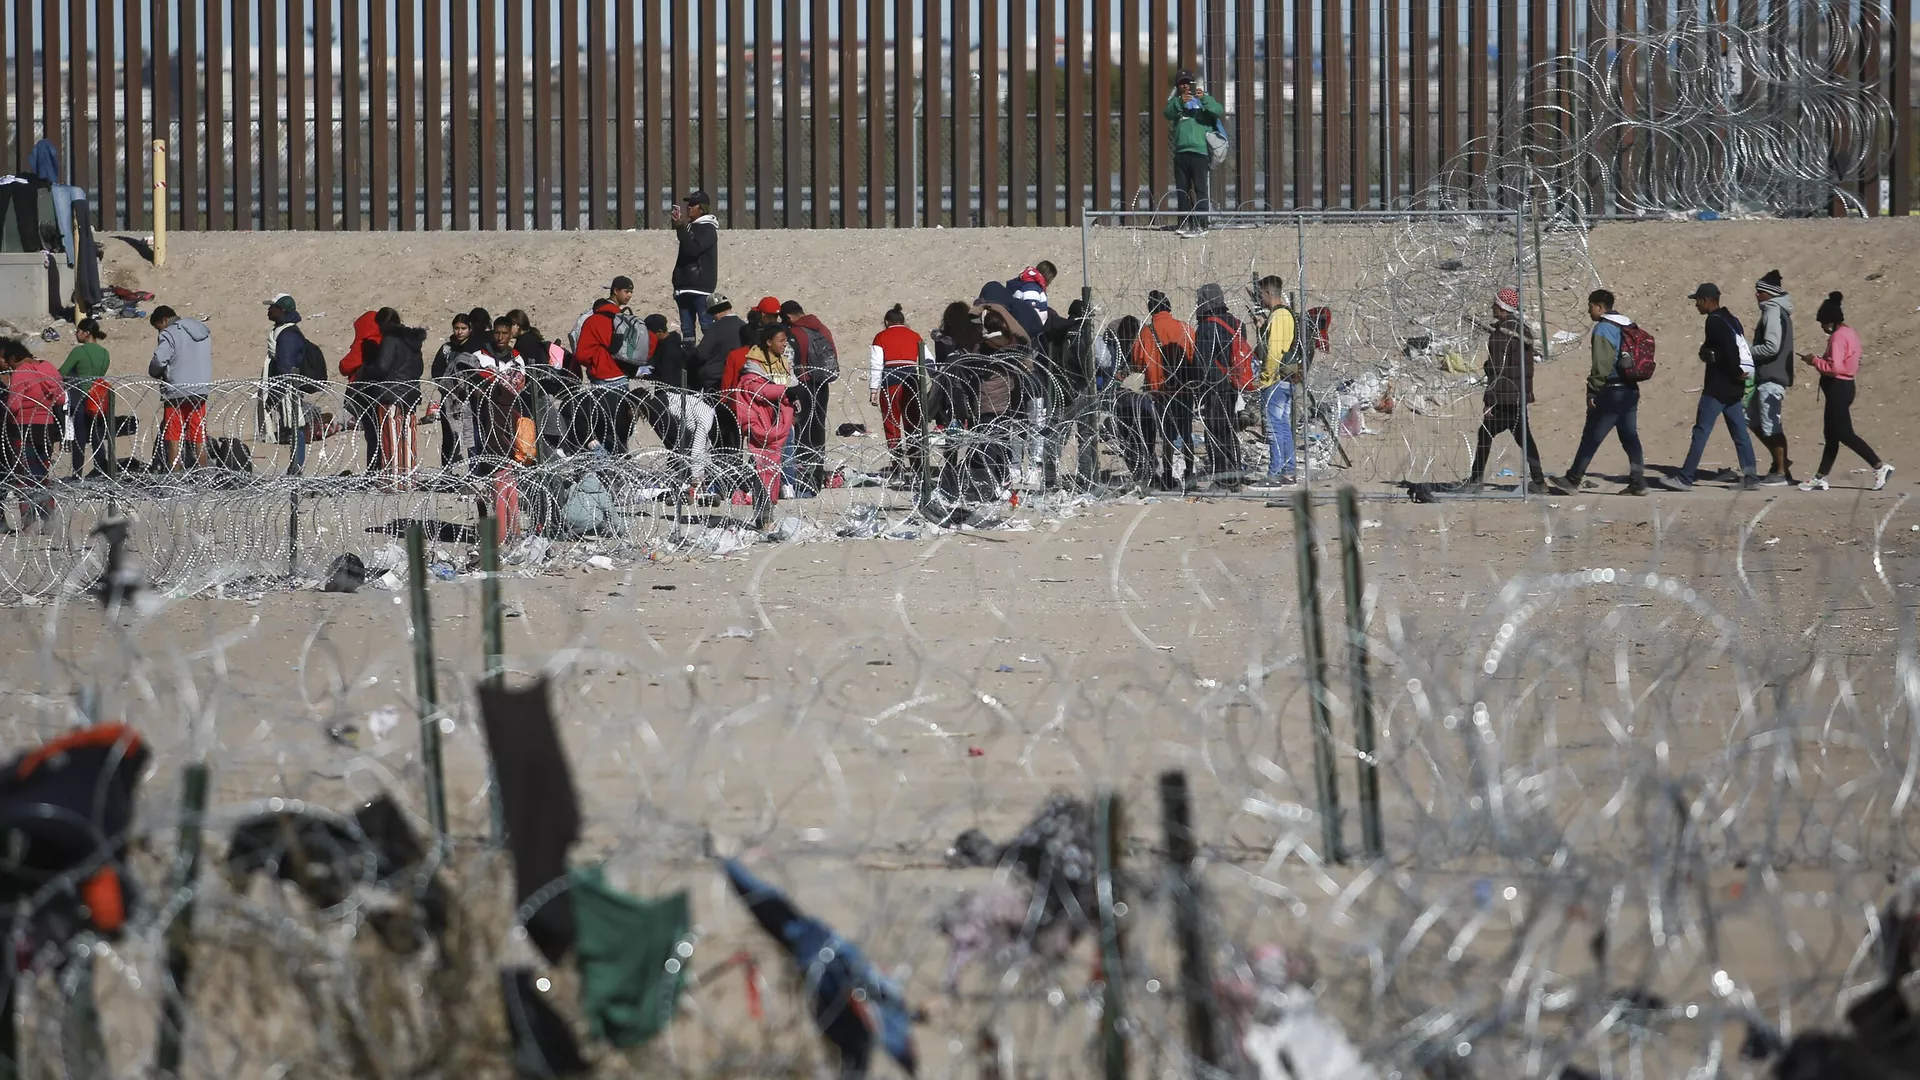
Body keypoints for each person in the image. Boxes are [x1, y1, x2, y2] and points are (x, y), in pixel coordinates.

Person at [1657, 282, 1759, 491]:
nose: (1696, 305)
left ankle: (1685, 478)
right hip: (1733, 388)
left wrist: (1730, 370)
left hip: (1718, 388)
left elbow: (1728, 350)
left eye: (1697, 301)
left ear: (1705, 300)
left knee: (1701, 432)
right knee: (1740, 432)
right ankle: (1750, 478)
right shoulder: (1731, 319)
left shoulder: (1713, 321)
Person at [1549, 289, 1647, 496]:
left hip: (1611, 391)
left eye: (1590, 305)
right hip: (1630, 390)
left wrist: (1593, 391)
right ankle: (1638, 482)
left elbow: (1601, 364)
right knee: (1630, 437)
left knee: (1592, 436)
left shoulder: (1603, 328)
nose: (1588, 310)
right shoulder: (1626, 325)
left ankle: (1573, 478)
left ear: (1600, 307)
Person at [1797, 291, 1893, 492]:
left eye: (1822, 323)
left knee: (1844, 433)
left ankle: (1879, 466)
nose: (1822, 327)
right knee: (1831, 434)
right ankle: (1820, 477)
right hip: (1844, 387)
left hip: (1838, 388)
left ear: (1830, 321)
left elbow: (1835, 367)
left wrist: (1814, 360)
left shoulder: (1838, 337)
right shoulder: (1850, 333)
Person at [1466, 287, 1546, 490]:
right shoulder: (1521, 329)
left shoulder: (1502, 335)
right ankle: (1539, 481)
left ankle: (1475, 481)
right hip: (1518, 395)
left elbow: (1497, 370)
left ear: (1502, 308)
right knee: (1524, 438)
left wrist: (1489, 401)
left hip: (1504, 397)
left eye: (1495, 304)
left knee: (1486, 434)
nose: (1492, 307)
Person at [636, 312, 715, 495]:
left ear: (658, 332)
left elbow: (667, 379)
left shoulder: (668, 349)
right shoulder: (674, 346)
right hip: (681, 400)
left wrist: (646, 375)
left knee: (680, 444)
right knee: (682, 443)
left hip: (670, 399)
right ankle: (691, 480)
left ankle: (691, 482)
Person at [728, 323, 799, 528]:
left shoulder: (783, 363)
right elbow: (757, 390)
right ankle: (764, 517)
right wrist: (784, 392)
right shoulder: (753, 366)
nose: (785, 344)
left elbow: (790, 384)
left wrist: (795, 399)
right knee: (764, 469)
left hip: (781, 424)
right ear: (769, 343)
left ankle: (767, 516)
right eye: (781, 340)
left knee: (774, 469)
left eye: (786, 340)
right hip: (761, 425)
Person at [1131, 289, 1196, 489]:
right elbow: (1195, 356)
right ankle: (1189, 472)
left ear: (1151, 309)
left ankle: (1167, 474)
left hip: (1161, 393)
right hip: (1184, 389)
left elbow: (1137, 364)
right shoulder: (1185, 329)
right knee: (1186, 432)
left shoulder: (1146, 333)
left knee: (1167, 435)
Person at [1190, 283, 1246, 490]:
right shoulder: (1237, 323)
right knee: (1230, 432)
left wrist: (1198, 389)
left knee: (1215, 433)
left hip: (1213, 388)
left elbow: (1201, 362)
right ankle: (1235, 475)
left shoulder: (1206, 327)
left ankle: (1222, 478)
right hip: (1233, 386)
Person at [574, 276, 637, 453]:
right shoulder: (625, 320)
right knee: (621, 433)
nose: (630, 295)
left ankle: (609, 474)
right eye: (627, 291)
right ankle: (622, 472)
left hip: (602, 382)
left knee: (604, 432)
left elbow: (581, 355)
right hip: (622, 380)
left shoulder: (593, 321)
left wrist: (595, 362)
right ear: (616, 291)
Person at [4, 338, 63, 527]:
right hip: (46, 426)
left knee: (25, 474)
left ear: (14, 357)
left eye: (9, 362)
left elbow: (13, 405)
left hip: (23, 428)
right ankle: (48, 517)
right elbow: (61, 398)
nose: (9, 367)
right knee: (42, 471)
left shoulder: (21, 372)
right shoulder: (47, 367)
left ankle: (28, 519)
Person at [147, 305, 213, 471]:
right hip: (200, 389)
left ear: (164, 320)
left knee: (174, 434)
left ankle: (175, 477)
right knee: (198, 434)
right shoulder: (201, 332)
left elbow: (159, 360)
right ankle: (203, 473)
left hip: (177, 391)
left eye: (158, 327)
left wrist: (154, 372)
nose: (159, 332)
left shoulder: (169, 333)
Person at [365, 308, 429, 479]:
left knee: (390, 438)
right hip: (411, 394)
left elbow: (382, 367)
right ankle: (408, 478)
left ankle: (392, 479)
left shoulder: (390, 340)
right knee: (408, 438)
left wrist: (367, 371)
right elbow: (420, 368)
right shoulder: (413, 340)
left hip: (390, 394)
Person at [782, 299, 838, 496]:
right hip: (822, 384)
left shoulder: (795, 333)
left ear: (788, 317)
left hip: (804, 384)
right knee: (818, 428)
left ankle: (804, 477)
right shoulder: (822, 328)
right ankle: (817, 473)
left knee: (803, 429)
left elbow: (789, 360)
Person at [870, 303, 930, 479]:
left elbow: (876, 364)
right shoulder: (915, 336)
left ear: (887, 322)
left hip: (891, 383)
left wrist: (874, 389)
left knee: (892, 425)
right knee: (913, 424)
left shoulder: (881, 337)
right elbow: (929, 360)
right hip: (913, 382)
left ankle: (897, 465)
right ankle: (917, 464)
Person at [1748, 270, 1796, 485]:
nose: (1756, 295)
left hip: (1772, 377)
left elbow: (1771, 347)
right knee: (1751, 418)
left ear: (1768, 293)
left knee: (1771, 426)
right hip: (1765, 377)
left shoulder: (1773, 311)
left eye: (1759, 292)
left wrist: (1747, 351)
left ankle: (1780, 472)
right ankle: (1782, 462)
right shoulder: (1773, 311)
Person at [1251, 275, 1298, 486]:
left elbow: (1273, 353)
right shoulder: (1286, 315)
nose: (1260, 299)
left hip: (1276, 380)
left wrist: (1264, 379)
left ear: (1269, 294)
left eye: (1261, 295)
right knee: (1283, 426)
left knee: (1274, 428)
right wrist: (1261, 327)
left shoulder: (1279, 316)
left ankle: (1275, 474)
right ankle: (1289, 472)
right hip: (1287, 378)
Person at [263, 293, 317, 475]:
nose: (268, 311)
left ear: (281, 310)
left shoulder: (288, 335)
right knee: (292, 426)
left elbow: (285, 366)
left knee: (296, 426)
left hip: (287, 388)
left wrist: (276, 392)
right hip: (284, 387)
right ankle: (295, 466)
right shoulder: (281, 331)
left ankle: (297, 467)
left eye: (272, 307)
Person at [1164, 72, 1224, 235]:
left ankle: (1202, 223)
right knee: (1182, 189)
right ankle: (1184, 222)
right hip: (1181, 152)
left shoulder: (1203, 100)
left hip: (1200, 152)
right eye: (1181, 83)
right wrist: (1179, 103)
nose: (1185, 86)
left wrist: (1204, 98)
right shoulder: (1176, 102)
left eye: (1188, 83)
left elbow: (1218, 110)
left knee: (1200, 189)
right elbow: (1167, 113)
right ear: (1178, 86)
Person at [59, 317, 111, 477]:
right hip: (99, 399)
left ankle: (77, 475)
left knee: (79, 439)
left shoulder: (79, 352)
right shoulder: (104, 353)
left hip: (80, 398)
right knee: (96, 437)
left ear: (87, 333)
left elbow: (61, 373)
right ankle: (102, 471)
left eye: (78, 331)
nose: (76, 334)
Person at [429, 312, 479, 466]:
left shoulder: (475, 348)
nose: (459, 331)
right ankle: (449, 469)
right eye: (456, 328)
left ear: (470, 329)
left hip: (469, 399)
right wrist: (449, 383)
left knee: (470, 435)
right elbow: (436, 371)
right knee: (450, 435)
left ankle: (472, 469)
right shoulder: (446, 349)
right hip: (449, 399)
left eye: (463, 328)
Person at [340, 309, 386, 470]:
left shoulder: (364, 343)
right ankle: (383, 469)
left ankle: (373, 469)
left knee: (372, 433)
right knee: (382, 433)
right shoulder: (385, 341)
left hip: (364, 393)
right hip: (383, 393)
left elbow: (346, 365)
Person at [672, 190, 720, 341]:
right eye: (688, 204)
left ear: (702, 208)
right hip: (684, 288)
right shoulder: (691, 227)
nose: (689, 207)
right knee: (687, 332)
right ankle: (689, 360)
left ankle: (712, 359)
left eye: (693, 204)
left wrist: (680, 227)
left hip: (700, 289)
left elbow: (693, 250)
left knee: (707, 327)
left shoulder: (708, 228)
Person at [692, 294, 746, 393]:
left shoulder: (715, 328)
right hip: (740, 378)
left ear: (716, 313)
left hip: (716, 380)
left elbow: (701, 354)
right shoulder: (743, 326)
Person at [1011, 263, 1057, 327]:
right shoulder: (1032, 290)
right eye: (1051, 279)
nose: (1050, 283)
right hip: (1030, 330)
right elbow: (1030, 315)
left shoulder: (1027, 282)